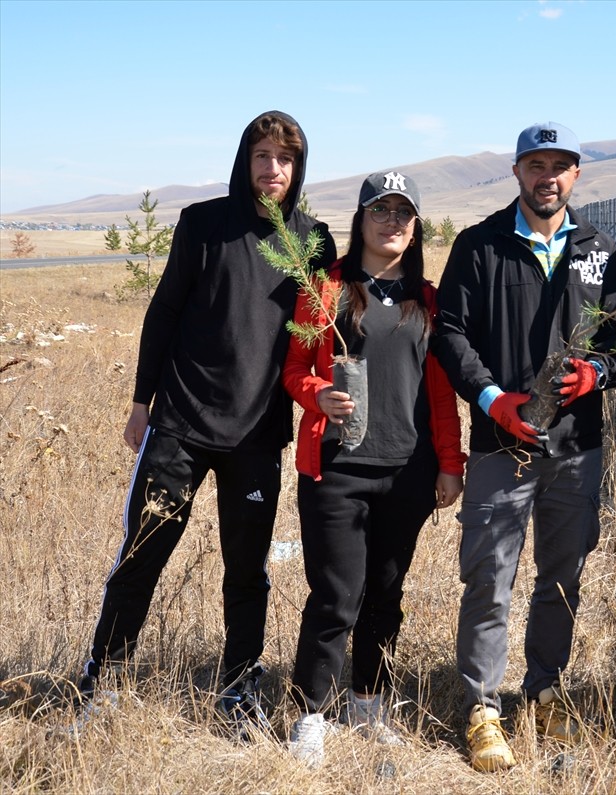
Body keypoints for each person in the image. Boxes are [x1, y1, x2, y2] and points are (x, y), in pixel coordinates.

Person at [73, 111, 336, 738]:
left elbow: (321, 334)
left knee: (247, 570)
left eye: (285, 158)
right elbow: (164, 312)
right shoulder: (203, 224)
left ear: (299, 168)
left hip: (256, 435)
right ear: (245, 160)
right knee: (142, 554)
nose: (272, 169)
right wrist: (142, 403)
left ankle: (239, 691)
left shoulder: (313, 240)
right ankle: (100, 681)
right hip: (182, 426)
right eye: (262, 155)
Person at [431, 122, 616, 772]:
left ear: (576, 174)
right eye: (535, 165)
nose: (548, 177)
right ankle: (482, 705)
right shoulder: (480, 245)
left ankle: (544, 689)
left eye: (560, 165)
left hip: (578, 447)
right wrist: (493, 400)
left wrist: (597, 372)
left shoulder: (601, 250)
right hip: (499, 447)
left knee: (563, 577)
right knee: (490, 577)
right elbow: (450, 335)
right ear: (517, 172)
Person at [281, 172, 466, 766]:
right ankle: (310, 712)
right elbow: (293, 370)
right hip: (338, 469)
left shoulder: (427, 298)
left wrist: (449, 462)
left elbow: (439, 392)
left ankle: (367, 703)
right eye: (379, 211)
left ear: (416, 229)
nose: (392, 222)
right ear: (358, 220)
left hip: (407, 469)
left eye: (403, 214)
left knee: (386, 594)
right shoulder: (324, 289)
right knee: (336, 595)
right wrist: (317, 394)